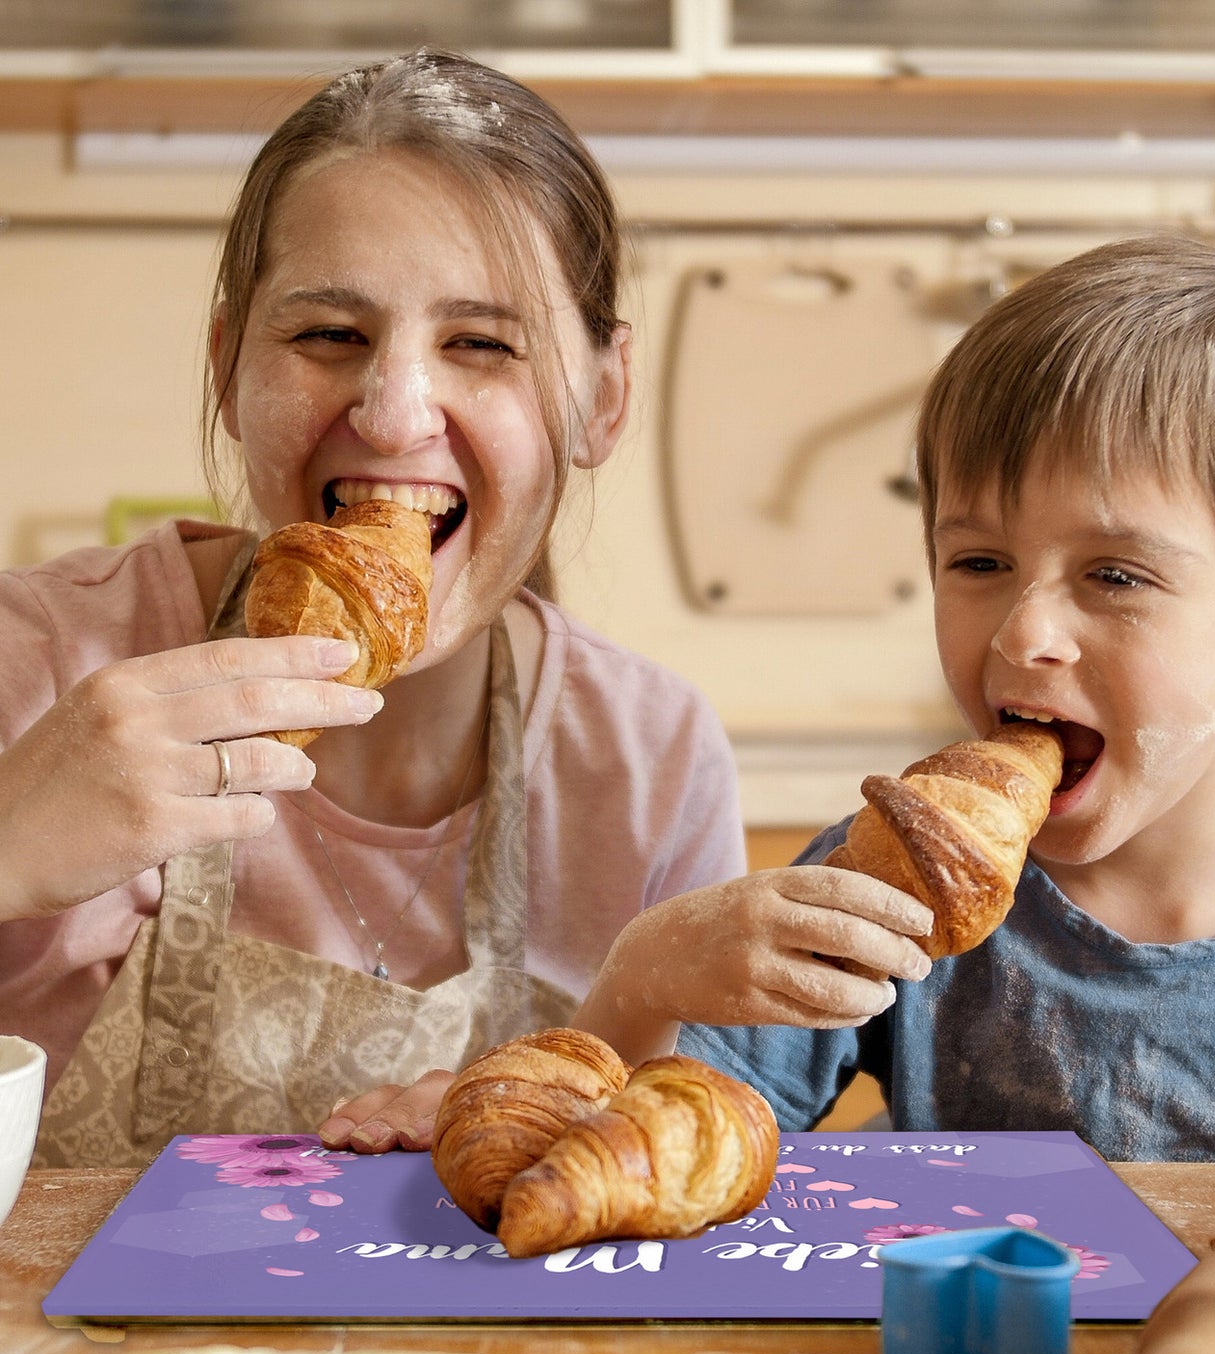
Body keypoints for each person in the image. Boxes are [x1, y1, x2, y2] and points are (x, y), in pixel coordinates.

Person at [4, 48, 748, 1168]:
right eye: (327, 335)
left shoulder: (647, 760)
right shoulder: (42, 662)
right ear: (226, 367)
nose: (396, 413)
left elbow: (693, 1171)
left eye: (481, 344)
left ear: (601, 398)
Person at [580, 233, 1215, 1188]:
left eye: (1114, 574)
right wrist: (644, 973)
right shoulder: (889, 880)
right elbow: (657, 1152)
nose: (1022, 631)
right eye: (980, 563)